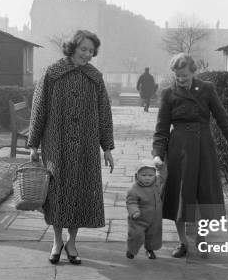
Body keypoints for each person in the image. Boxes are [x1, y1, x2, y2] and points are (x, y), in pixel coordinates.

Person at [27, 29, 115, 265]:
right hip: (56, 142)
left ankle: (72, 241)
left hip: (86, 143)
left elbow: (104, 113)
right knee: (57, 192)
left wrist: (107, 147)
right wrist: (33, 143)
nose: (87, 54)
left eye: (91, 51)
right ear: (73, 47)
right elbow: (39, 108)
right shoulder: (53, 73)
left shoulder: (95, 77)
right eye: (83, 49)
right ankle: (57, 241)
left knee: (80, 191)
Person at [152, 53, 228, 258]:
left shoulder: (207, 89)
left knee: (203, 196)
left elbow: (223, 119)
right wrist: (158, 155)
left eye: (184, 75)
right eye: (177, 75)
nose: (181, 79)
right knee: (179, 197)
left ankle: (202, 238)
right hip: (179, 152)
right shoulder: (168, 94)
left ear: (193, 71)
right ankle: (182, 242)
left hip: (204, 149)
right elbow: (161, 129)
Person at [125, 159, 164, 260]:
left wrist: (161, 166)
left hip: (155, 218)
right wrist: (134, 211)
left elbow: (163, 176)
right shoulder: (134, 190)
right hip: (139, 219)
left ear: (154, 176)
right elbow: (131, 202)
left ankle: (150, 250)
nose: (147, 178)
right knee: (136, 235)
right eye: (144, 175)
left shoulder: (156, 183)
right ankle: (131, 250)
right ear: (137, 175)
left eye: (150, 176)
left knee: (153, 235)